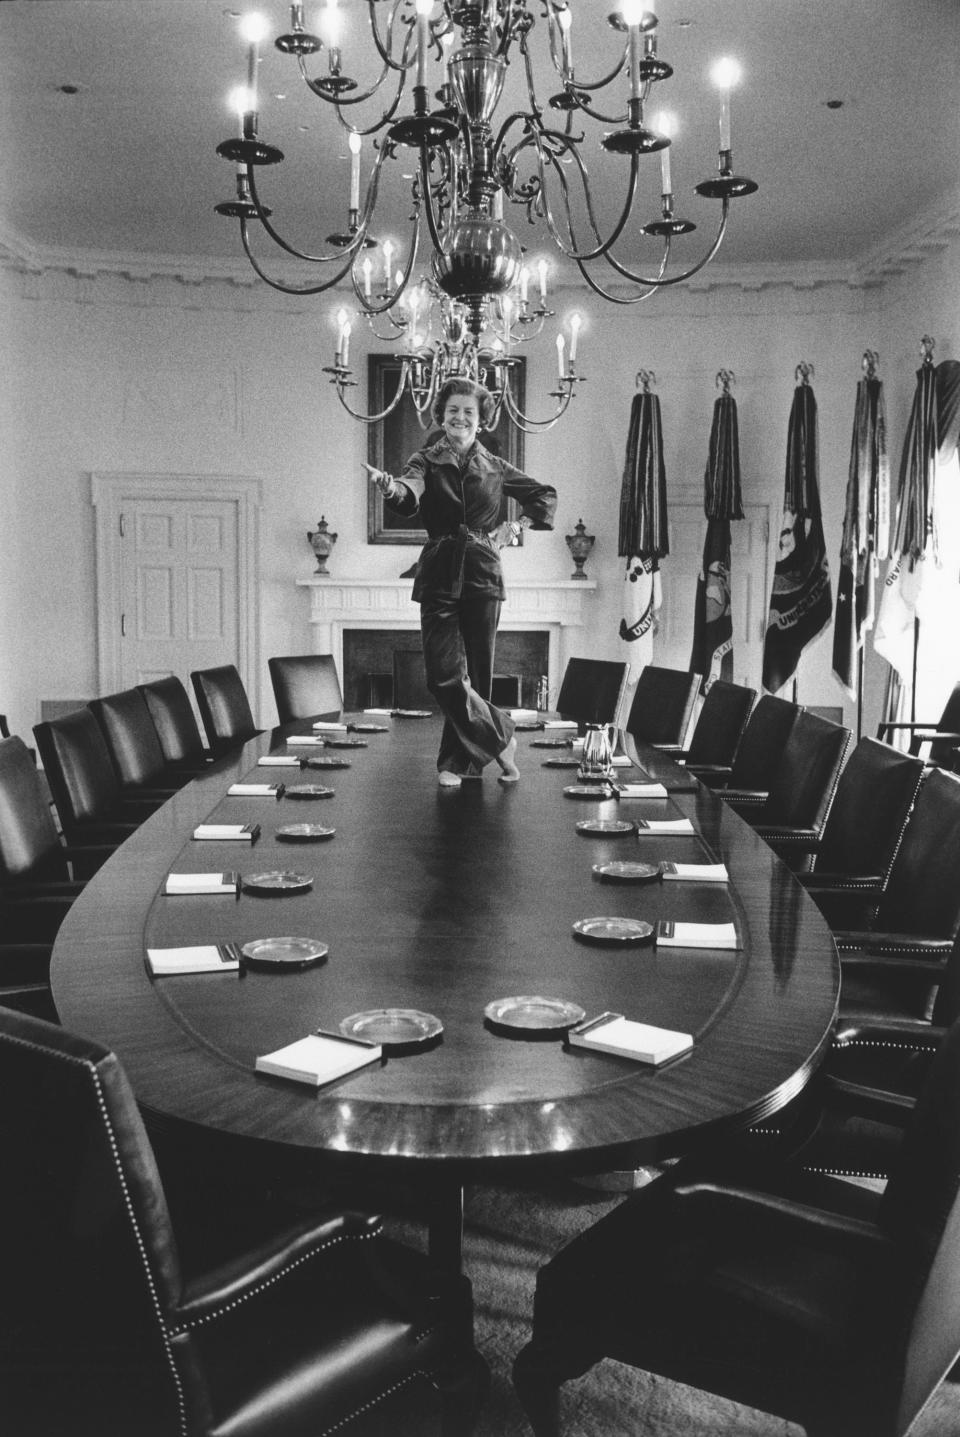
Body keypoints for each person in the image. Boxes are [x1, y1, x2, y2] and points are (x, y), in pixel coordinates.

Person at [363, 377, 557, 787]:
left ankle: (458, 763)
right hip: (438, 571)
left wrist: (515, 528)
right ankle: (502, 737)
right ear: (442, 416)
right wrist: (389, 487)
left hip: (484, 572)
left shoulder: (496, 466)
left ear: (481, 419)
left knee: (480, 675)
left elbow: (544, 495)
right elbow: (408, 492)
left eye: (469, 411)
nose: (460, 418)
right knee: (443, 675)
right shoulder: (425, 460)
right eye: (453, 410)